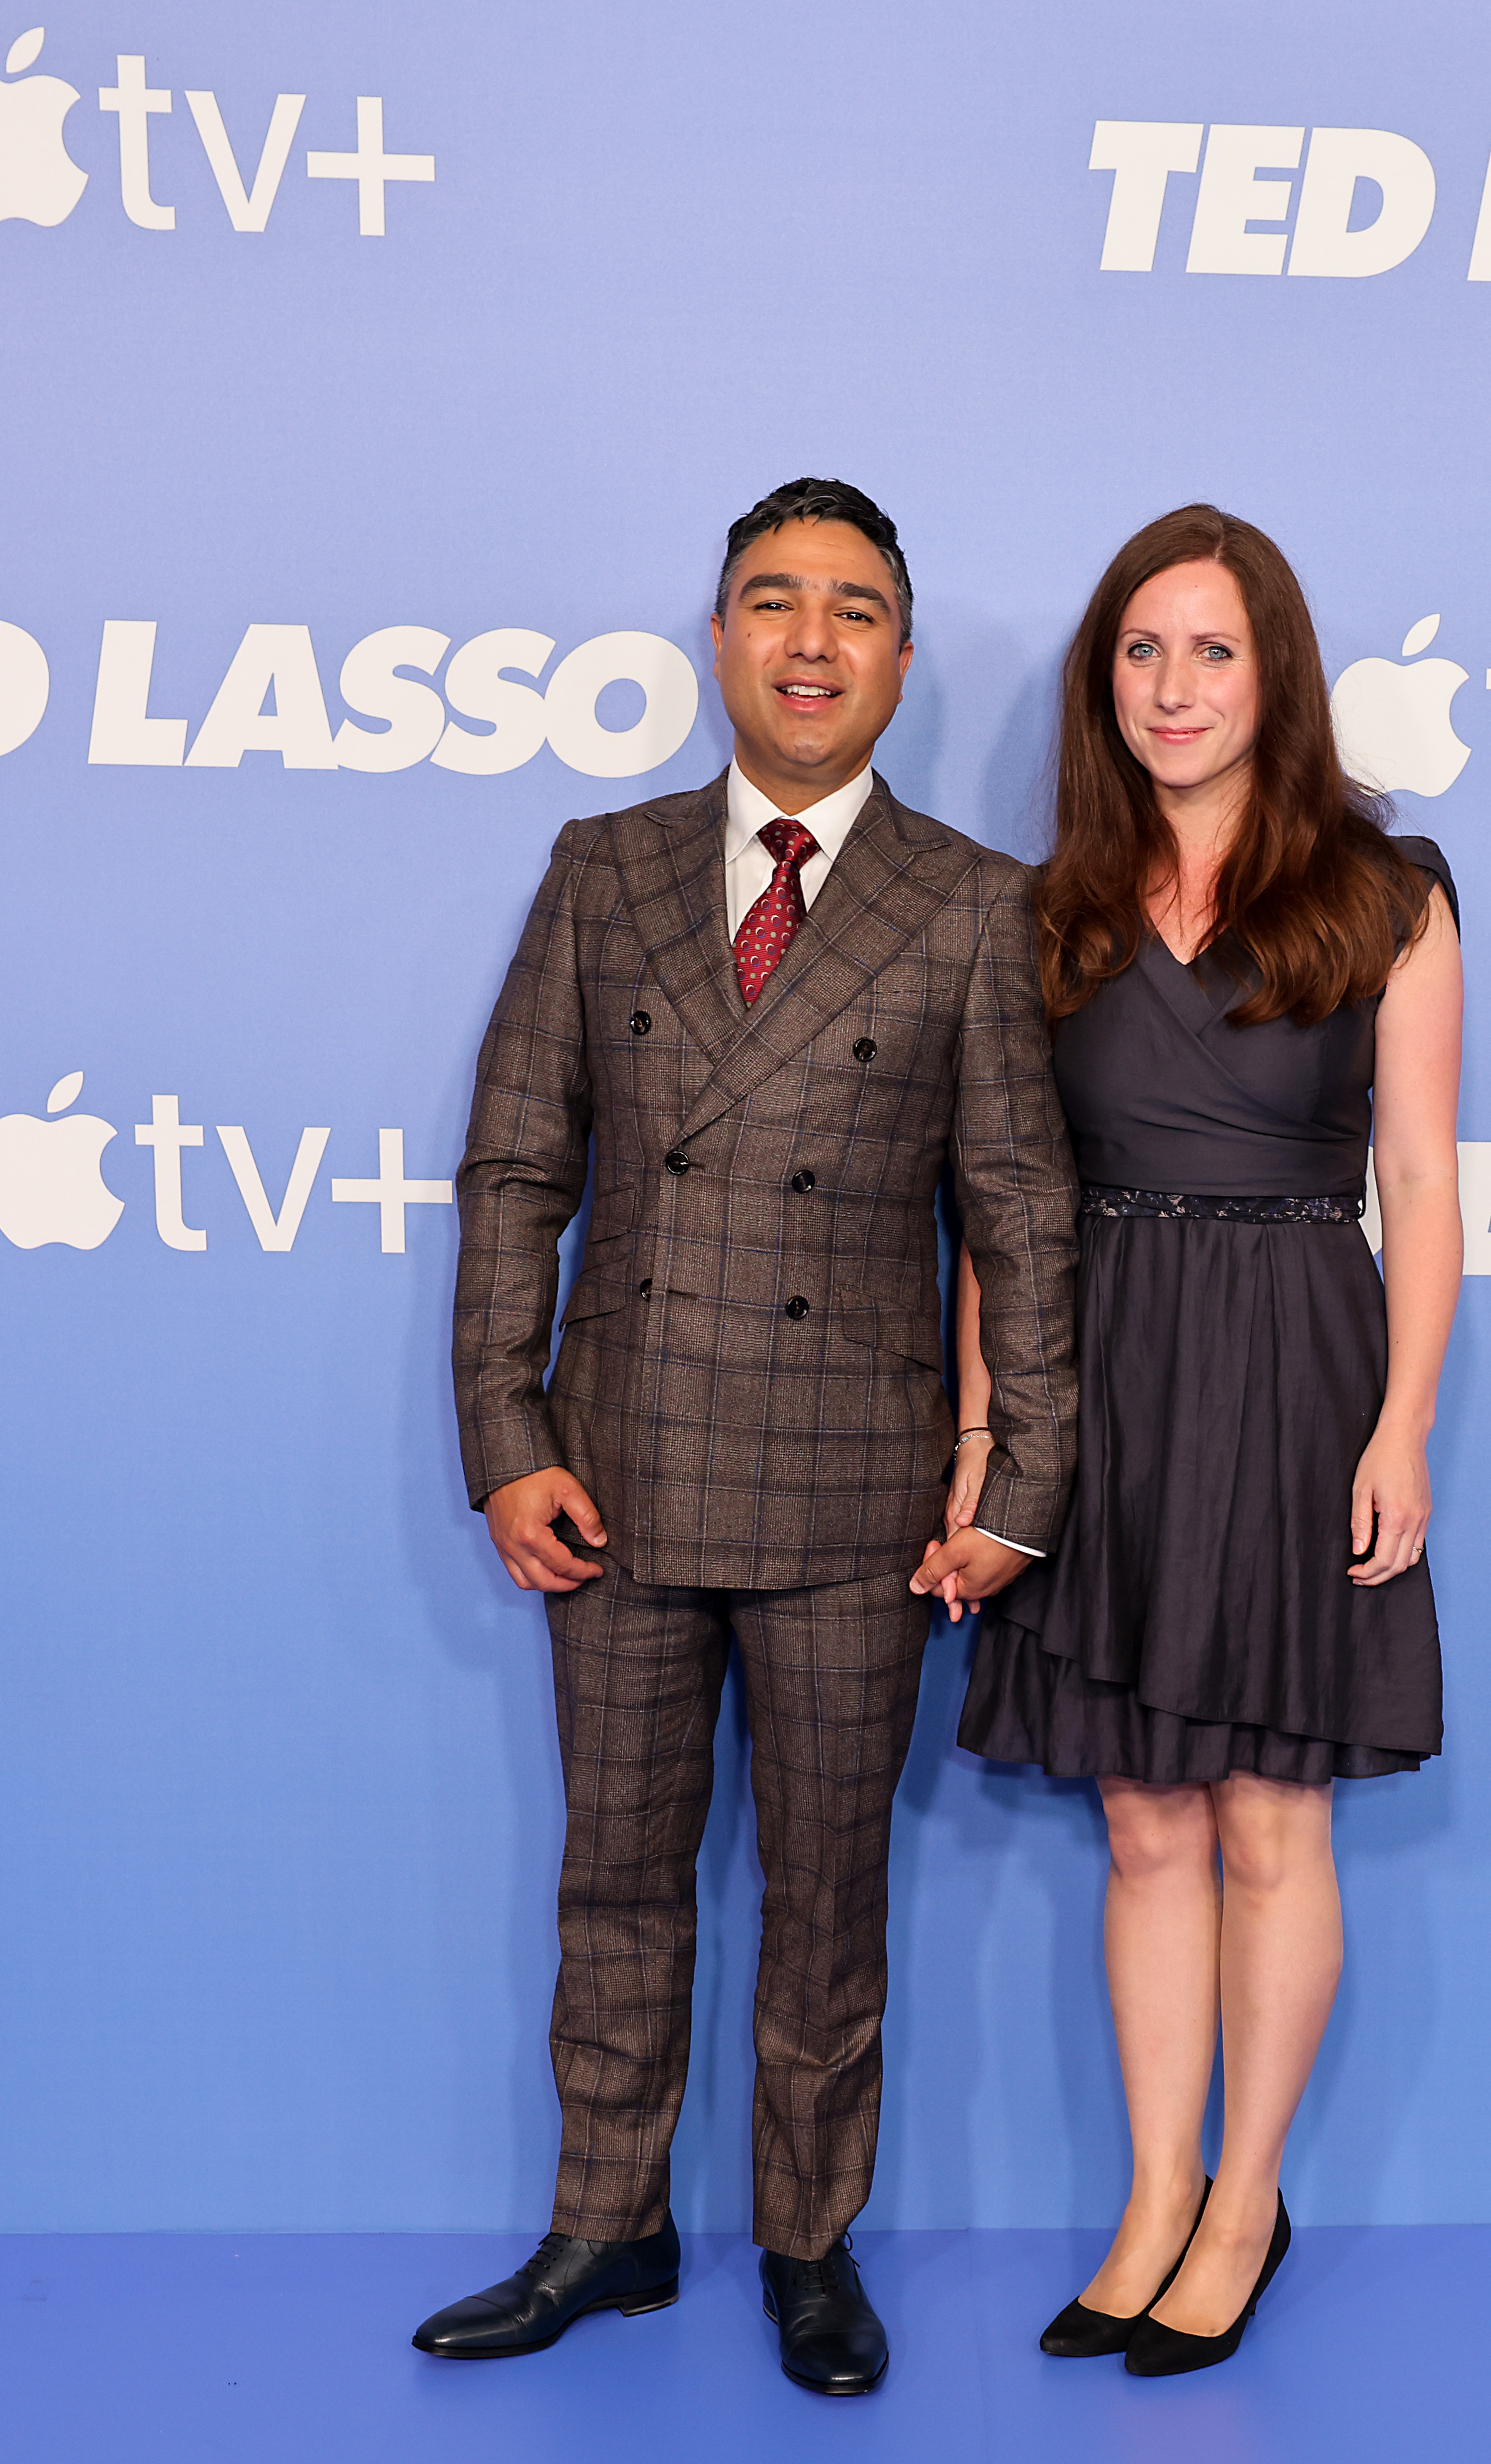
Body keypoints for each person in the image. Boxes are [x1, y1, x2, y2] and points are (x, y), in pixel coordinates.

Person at [420, 478, 1080, 2396]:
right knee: (614, 1873)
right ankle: (607, 2222)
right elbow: (514, 1168)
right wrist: (503, 1431)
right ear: (714, 641)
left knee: (825, 1893)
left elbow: (1023, 1220)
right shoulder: (599, 865)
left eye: (853, 609)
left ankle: (808, 2241)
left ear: (896, 656)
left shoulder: (971, 904)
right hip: (611, 1467)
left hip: (855, 1495)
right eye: (771, 602)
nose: (809, 640)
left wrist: (1017, 1483)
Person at [937, 505, 1464, 2377]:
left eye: (1211, 650)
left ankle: (1244, 2202)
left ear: (1275, 675)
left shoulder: (1388, 893)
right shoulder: (1044, 911)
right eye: (1141, 652)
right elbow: (1012, 1197)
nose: (1173, 686)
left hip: (1298, 1362)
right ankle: (1150, 2199)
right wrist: (991, 1435)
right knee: (1143, 1818)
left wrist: (1401, 1422)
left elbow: (1415, 1171)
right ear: (1104, 685)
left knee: (1266, 1812)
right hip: (1106, 1368)